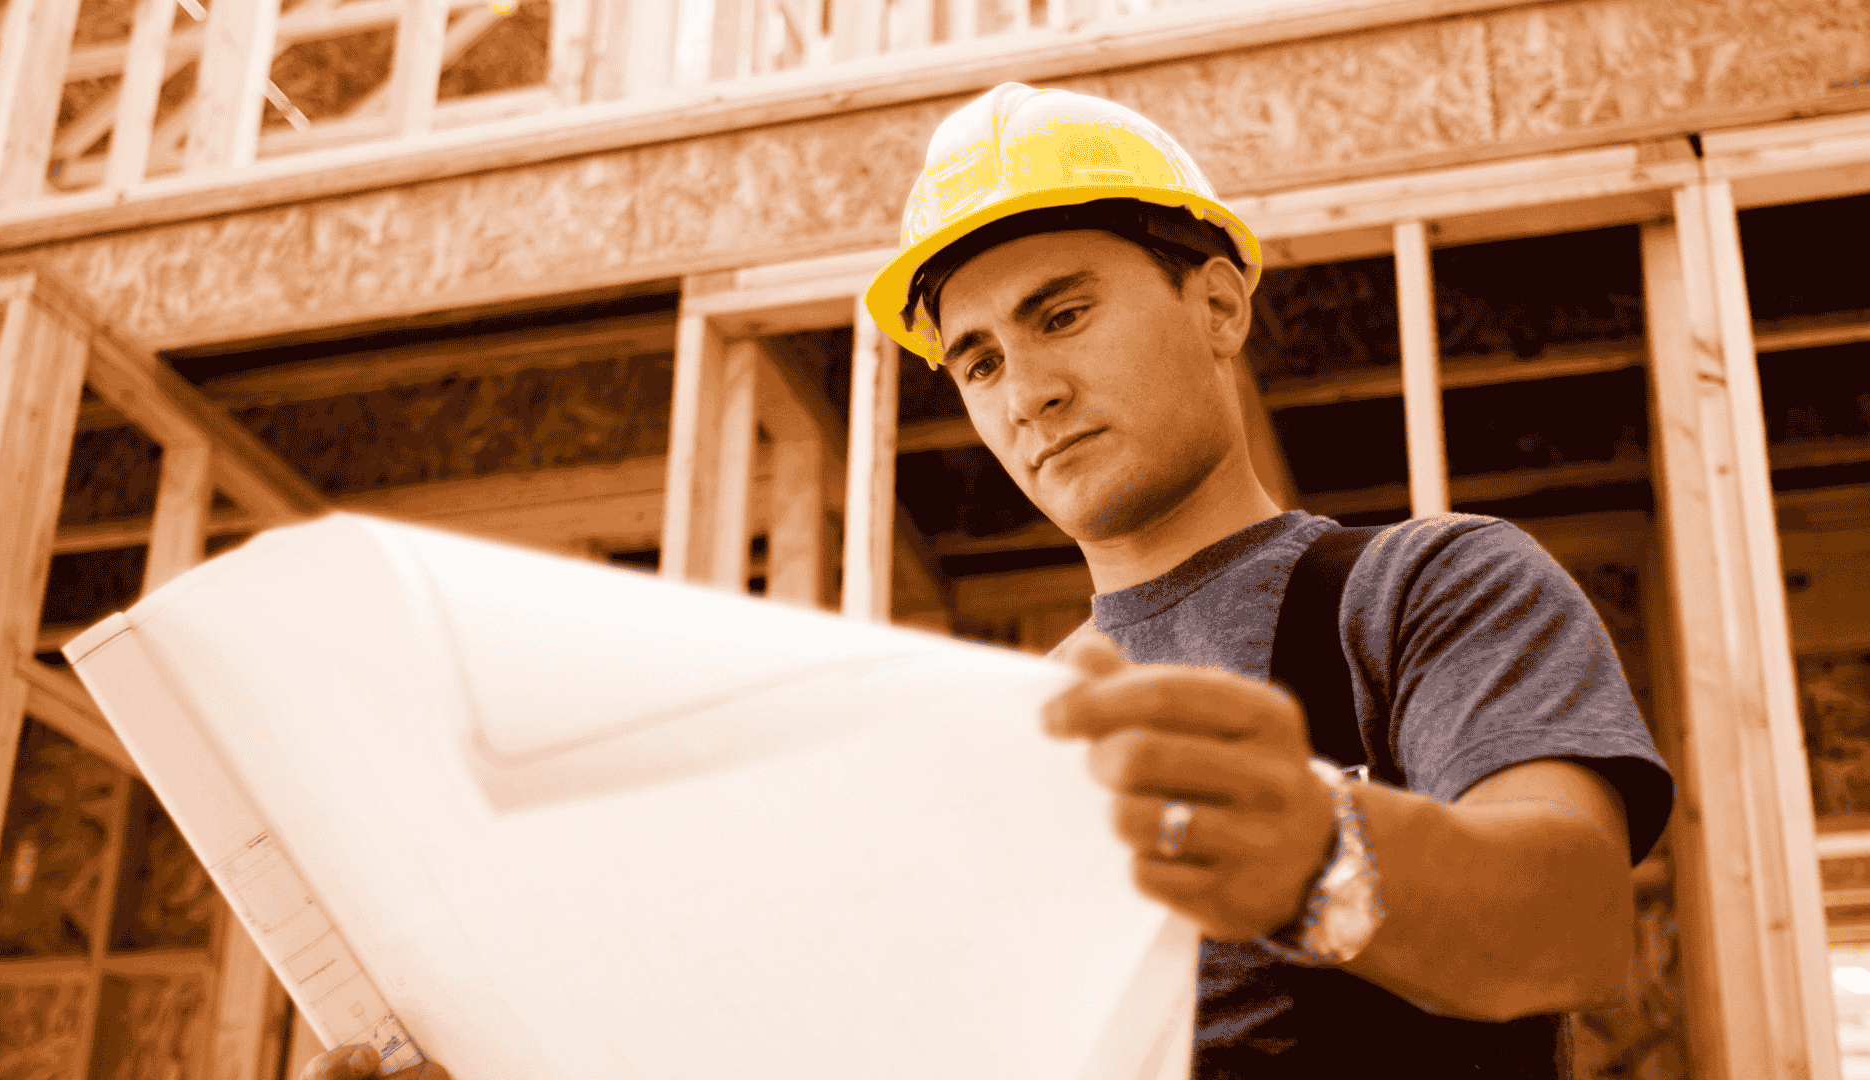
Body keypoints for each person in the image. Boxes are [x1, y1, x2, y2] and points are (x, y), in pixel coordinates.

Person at [309, 82, 1671, 1079]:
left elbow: (1568, 919)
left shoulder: (1425, 588)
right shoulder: (993, 735)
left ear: (1216, 307)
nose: (1028, 390)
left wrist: (1321, 851)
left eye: (1061, 313)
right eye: (978, 362)